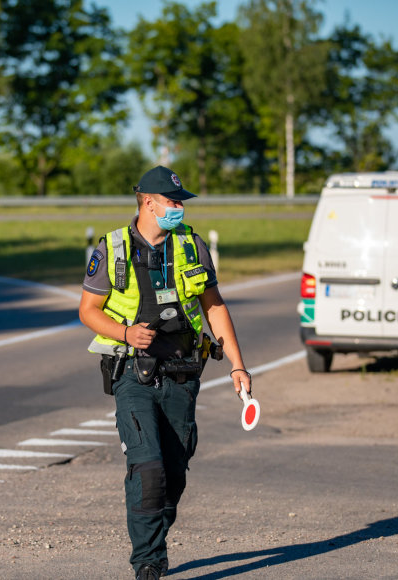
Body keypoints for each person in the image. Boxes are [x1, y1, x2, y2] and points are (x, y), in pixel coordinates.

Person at [79, 166, 251, 579]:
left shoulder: (192, 246)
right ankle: (149, 563)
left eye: (181, 202)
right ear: (149, 203)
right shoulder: (112, 248)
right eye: (173, 202)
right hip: (131, 374)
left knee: (173, 472)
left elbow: (214, 306)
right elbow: (87, 311)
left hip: (182, 373)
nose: (179, 208)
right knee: (147, 467)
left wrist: (238, 365)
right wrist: (125, 332)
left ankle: (153, 529)